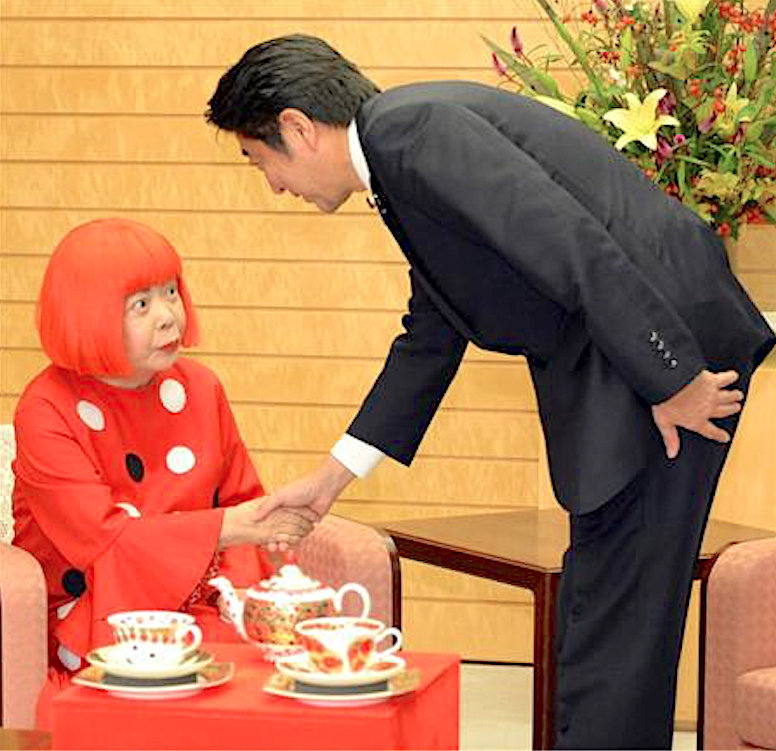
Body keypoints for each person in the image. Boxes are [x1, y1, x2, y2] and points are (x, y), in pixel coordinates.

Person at [205, 34, 775, 748]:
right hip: (634, 358)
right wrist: (331, 479)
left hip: (660, 353)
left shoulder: (411, 133)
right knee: (609, 615)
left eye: (260, 163)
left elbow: (570, 241)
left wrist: (672, 378)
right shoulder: (401, 153)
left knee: (619, 622)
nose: (275, 186)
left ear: (295, 127)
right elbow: (433, 331)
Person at [11, 218, 315, 723]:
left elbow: (243, 507)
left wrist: (241, 603)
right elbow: (106, 542)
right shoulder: (46, 408)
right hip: (92, 615)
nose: (170, 317)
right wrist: (228, 528)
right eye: (142, 305)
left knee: (276, 675)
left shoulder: (201, 388)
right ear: (90, 314)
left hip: (201, 604)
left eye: (171, 292)